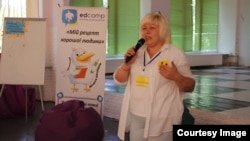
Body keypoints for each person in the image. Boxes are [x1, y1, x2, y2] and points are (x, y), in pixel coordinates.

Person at [113, 11, 195, 141]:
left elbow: (190, 86)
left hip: (163, 119)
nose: (147, 32)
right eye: (144, 28)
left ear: (162, 31)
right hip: (137, 116)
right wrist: (127, 64)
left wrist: (176, 76)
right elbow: (118, 80)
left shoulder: (175, 53)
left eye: (152, 28)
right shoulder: (137, 52)